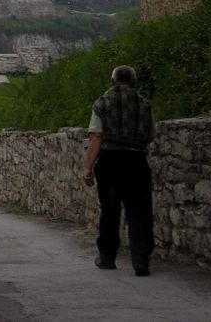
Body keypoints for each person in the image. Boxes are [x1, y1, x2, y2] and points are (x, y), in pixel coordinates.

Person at [83, 65, 156, 276]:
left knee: (110, 211)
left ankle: (106, 257)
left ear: (113, 81)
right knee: (140, 212)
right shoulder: (145, 104)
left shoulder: (102, 103)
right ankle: (141, 261)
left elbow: (96, 136)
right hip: (137, 162)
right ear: (133, 81)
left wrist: (88, 167)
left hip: (110, 162)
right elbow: (151, 134)